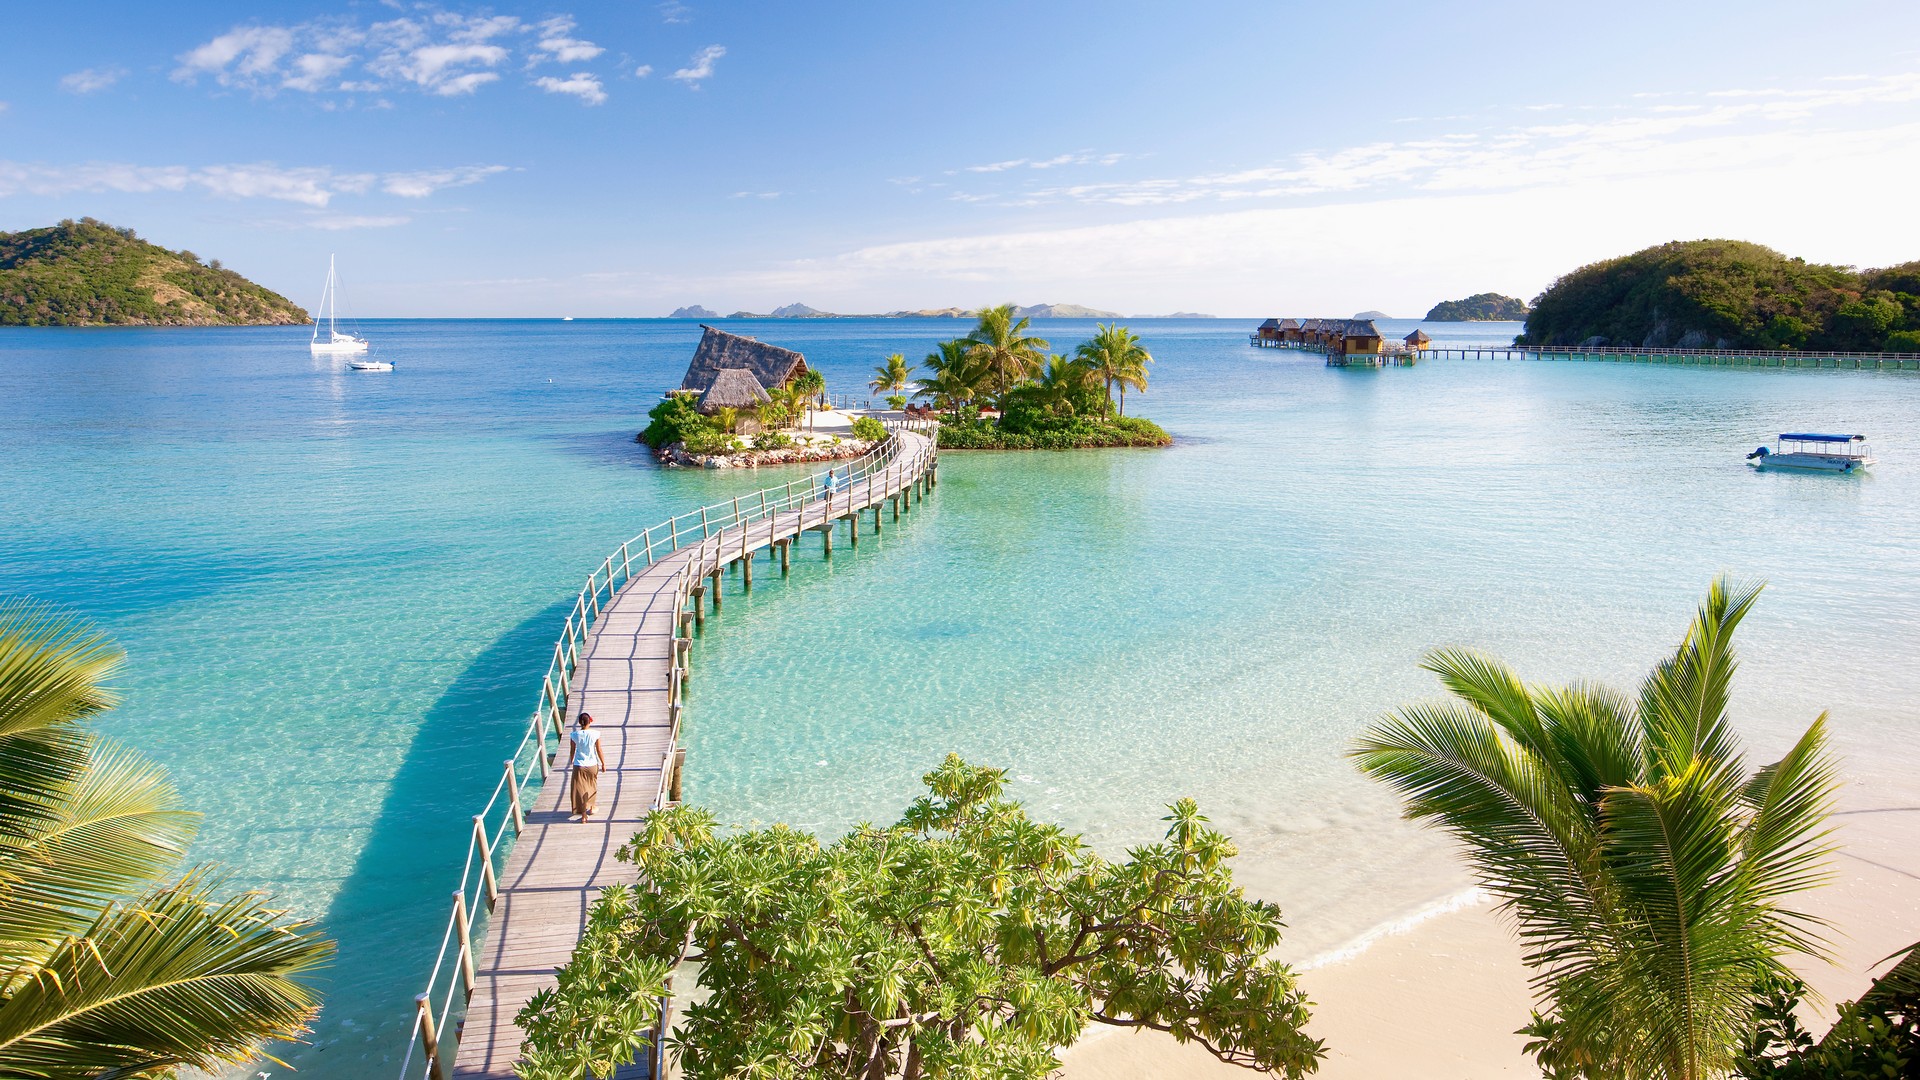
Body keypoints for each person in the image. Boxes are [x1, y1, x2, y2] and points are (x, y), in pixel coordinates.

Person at [569, 712, 607, 822]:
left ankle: (584, 814)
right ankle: (591, 807)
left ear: (580, 723)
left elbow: (572, 750)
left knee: (579, 789)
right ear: (589, 721)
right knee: (591, 786)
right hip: (592, 764)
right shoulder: (595, 734)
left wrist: (571, 761)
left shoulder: (574, 735)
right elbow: (599, 749)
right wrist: (603, 763)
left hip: (579, 765)